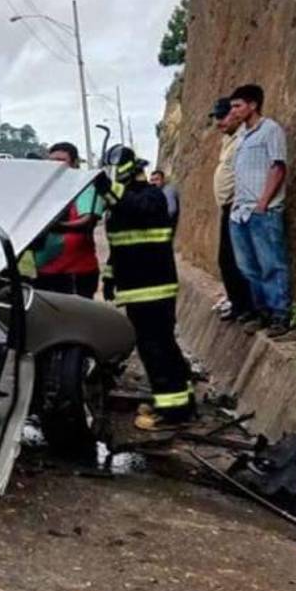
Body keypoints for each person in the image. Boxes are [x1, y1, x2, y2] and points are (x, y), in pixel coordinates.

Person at [103, 147, 194, 431]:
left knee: (155, 348)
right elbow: (120, 244)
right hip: (139, 288)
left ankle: (171, 412)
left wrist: (111, 190)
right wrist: (109, 276)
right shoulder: (123, 201)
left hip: (153, 289)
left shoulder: (151, 196)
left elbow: (134, 208)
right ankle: (181, 400)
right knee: (163, 344)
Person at [228, 83, 292, 338]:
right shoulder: (242, 136)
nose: (233, 111)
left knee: (271, 264)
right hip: (240, 212)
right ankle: (262, 312)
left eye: (237, 105)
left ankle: (280, 315)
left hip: (262, 211)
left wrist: (263, 203)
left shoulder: (270, 130)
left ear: (253, 105)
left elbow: (278, 167)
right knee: (248, 268)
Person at [31, 141, 104, 298]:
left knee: (77, 319)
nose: (55, 167)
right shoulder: (44, 191)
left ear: (75, 163)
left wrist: (54, 226)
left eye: (60, 161)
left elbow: (87, 222)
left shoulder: (84, 188)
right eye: (51, 162)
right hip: (45, 272)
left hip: (75, 272)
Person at [208, 97, 253, 321]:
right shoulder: (228, 140)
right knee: (227, 260)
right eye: (216, 118)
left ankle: (248, 307)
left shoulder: (244, 139)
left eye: (222, 116)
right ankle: (238, 304)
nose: (218, 122)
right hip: (228, 209)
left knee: (238, 260)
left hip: (239, 207)